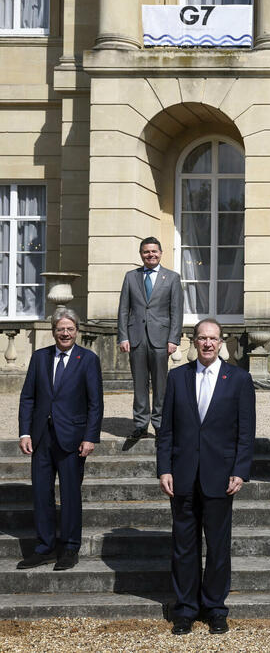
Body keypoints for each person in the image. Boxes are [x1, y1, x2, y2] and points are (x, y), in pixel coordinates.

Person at [157, 318, 255, 636]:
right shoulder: (177, 378)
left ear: (221, 341)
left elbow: (245, 431)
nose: (208, 344)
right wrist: (164, 468)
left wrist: (240, 470)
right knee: (184, 546)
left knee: (217, 546)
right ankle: (185, 609)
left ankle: (215, 608)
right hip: (183, 475)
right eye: (202, 338)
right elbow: (166, 429)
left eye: (213, 338)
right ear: (194, 342)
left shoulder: (238, 379)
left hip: (220, 476)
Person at [17, 308, 103, 571]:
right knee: (41, 494)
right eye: (60, 329)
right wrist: (25, 431)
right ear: (53, 331)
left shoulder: (87, 359)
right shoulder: (39, 358)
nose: (65, 333)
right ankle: (44, 548)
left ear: (77, 331)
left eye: (70, 329)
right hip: (41, 438)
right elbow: (28, 398)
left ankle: (69, 548)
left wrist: (90, 437)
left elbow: (95, 403)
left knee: (69, 495)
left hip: (73, 439)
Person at [117, 236, 183, 440]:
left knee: (161, 383)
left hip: (161, 339)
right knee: (139, 383)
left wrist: (174, 339)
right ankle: (140, 424)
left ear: (161, 253)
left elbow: (176, 311)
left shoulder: (171, 278)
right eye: (146, 252)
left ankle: (160, 423)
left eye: (154, 251)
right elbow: (123, 310)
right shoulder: (130, 277)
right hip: (136, 337)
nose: (150, 255)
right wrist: (123, 336)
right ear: (141, 254)